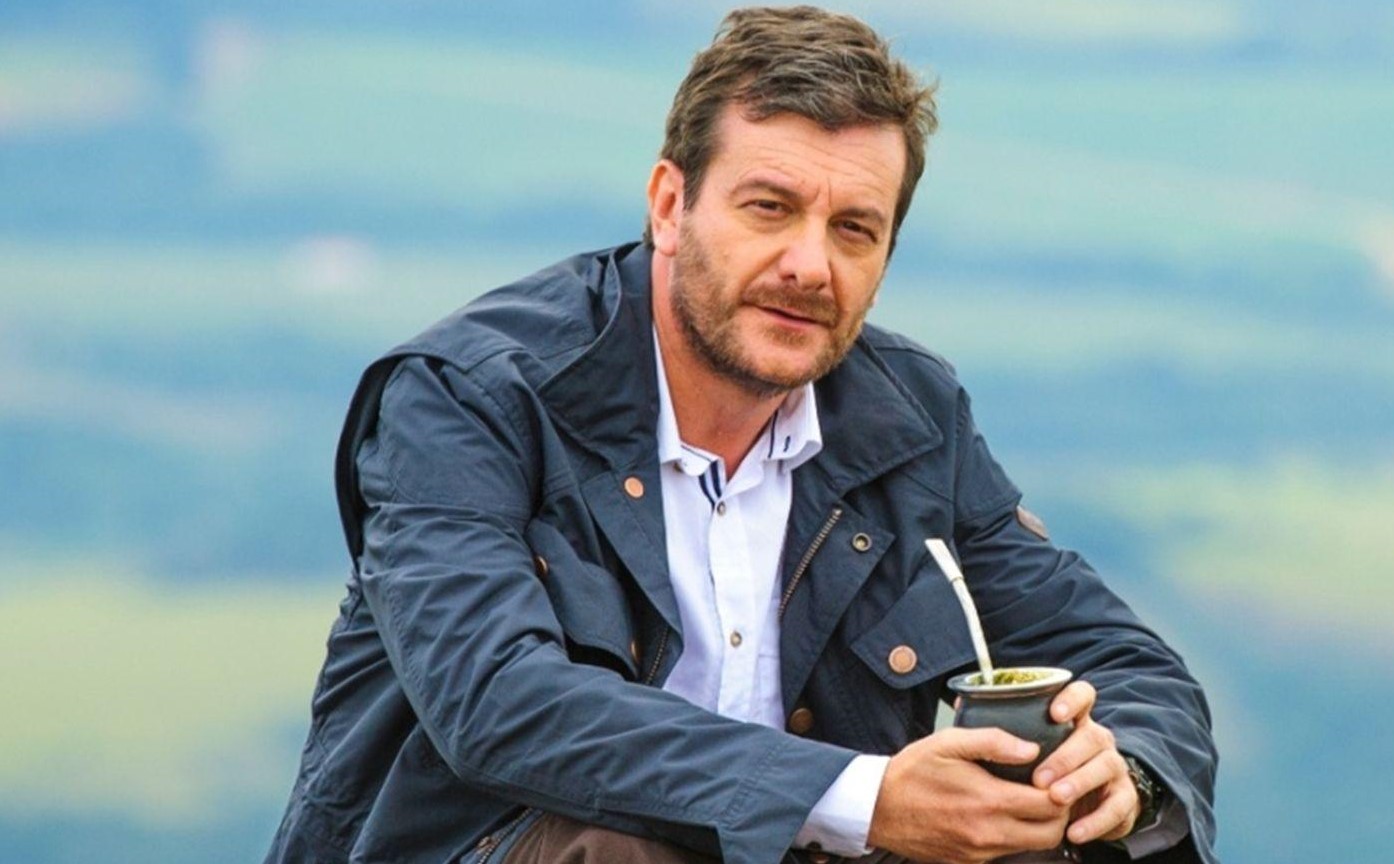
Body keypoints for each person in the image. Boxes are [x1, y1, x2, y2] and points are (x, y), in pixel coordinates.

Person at [267, 6, 1218, 864]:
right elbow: (495, 700)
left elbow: (1129, 666)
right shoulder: (466, 399)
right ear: (669, 205)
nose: (810, 264)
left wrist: (1120, 776)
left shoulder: (910, 418)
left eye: (855, 229)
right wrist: (867, 801)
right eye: (770, 207)